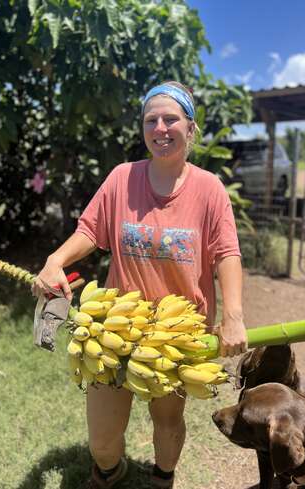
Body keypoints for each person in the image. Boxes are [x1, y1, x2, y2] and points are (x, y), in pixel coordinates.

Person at [32, 81, 247, 489]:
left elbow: (226, 254)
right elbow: (91, 230)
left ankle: (162, 477)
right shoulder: (121, 178)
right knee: (102, 437)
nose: (161, 128)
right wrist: (56, 259)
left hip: (177, 333)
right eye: (152, 120)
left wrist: (233, 316)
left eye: (171, 119)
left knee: (167, 421)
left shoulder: (209, 189)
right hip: (115, 327)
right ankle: (109, 471)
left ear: (190, 126)